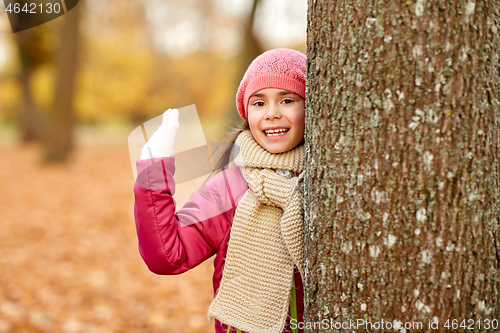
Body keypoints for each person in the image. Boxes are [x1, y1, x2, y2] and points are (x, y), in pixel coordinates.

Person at [134, 48, 306, 333]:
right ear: (246, 112)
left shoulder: (323, 184)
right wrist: (154, 168)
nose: (272, 113)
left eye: (287, 100)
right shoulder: (229, 187)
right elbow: (168, 255)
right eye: (259, 103)